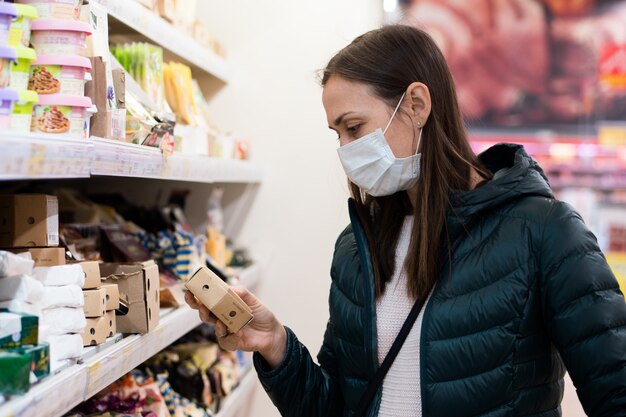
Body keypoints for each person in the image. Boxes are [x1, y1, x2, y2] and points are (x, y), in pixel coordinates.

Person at [185, 24, 626, 417]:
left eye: (354, 128)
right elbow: (338, 403)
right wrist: (275, 344)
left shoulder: (543, 230)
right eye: (337, 134)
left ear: (416, 105)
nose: (344, 150)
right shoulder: (356, 247)